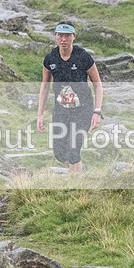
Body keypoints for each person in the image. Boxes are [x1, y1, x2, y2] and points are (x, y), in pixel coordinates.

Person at [37, 21, 103, 172]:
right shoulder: (50, 59)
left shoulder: (83, 57)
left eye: (67, 36)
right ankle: (81, 170)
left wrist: (97, 111)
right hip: (61, 110)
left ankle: (75, 185)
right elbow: (45, 86)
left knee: (73, 150)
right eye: (60, 35)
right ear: (56, 37)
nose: (63, 39)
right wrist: (40, 114)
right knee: (59, 153)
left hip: (83, 109)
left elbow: (98, 85)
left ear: (74, 37)